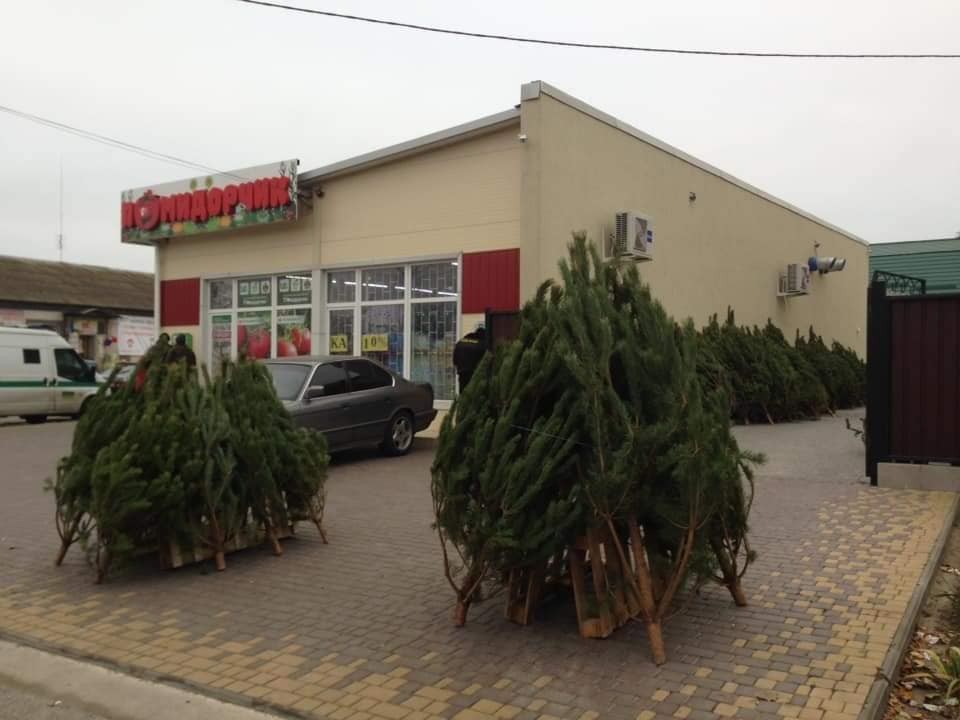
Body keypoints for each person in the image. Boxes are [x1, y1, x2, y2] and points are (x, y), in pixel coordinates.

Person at [453, 324, 487, 393]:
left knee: (463, 392)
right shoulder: (481, 344)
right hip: (473, 373)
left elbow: (455, 360)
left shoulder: (461, 341)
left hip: (462, 372)